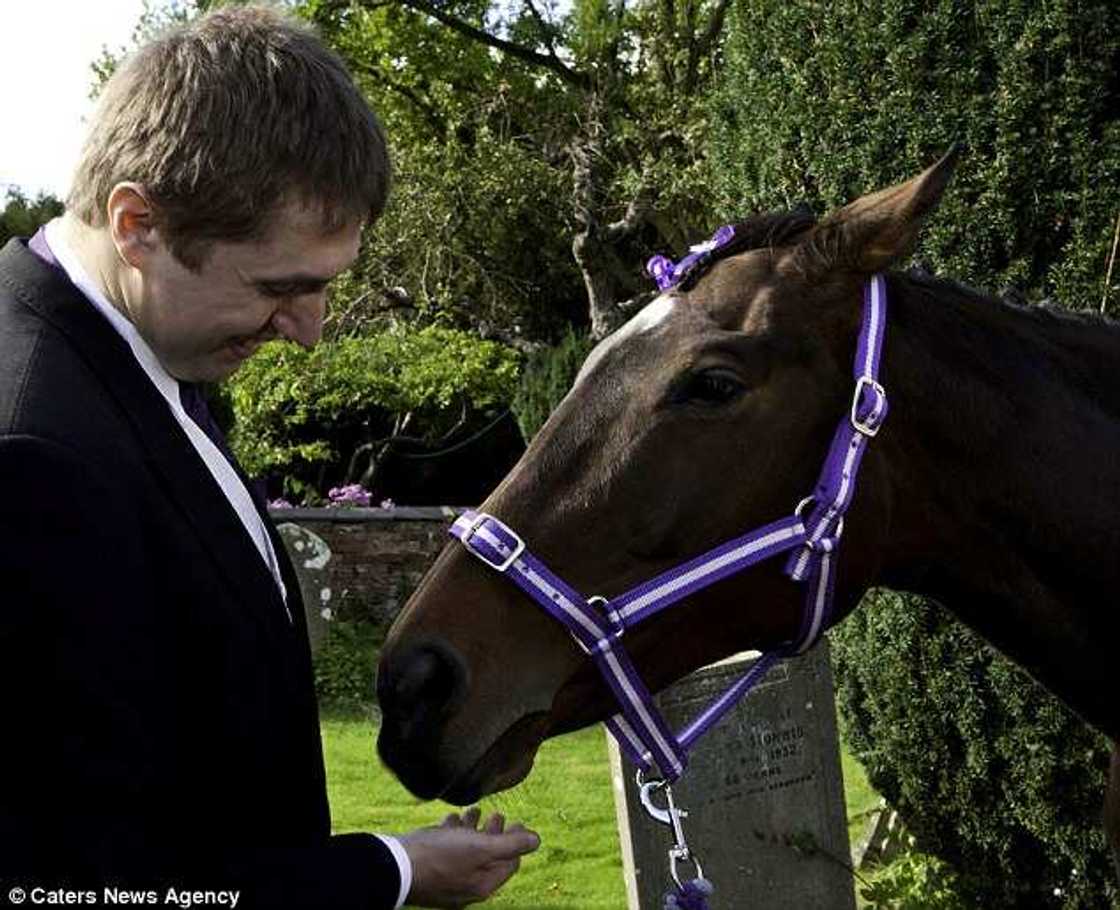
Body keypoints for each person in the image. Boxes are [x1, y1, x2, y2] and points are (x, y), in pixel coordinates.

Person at [0, 6, 538, 908]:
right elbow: (86, 887)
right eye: (281, 288)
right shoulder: (33, 455)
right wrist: (393, 872)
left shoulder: (143, 354)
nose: (311, 332)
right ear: (138, 224)